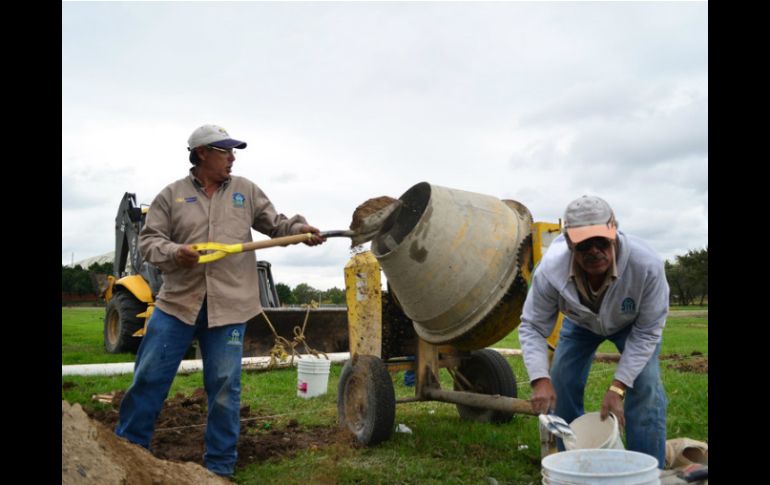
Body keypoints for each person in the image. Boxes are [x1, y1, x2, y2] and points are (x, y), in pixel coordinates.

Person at [115, 124, 325, 477]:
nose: (232, 157)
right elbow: (149, 242)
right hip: (177, 305)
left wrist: (299, 231)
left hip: (229, 307)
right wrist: (174, 252)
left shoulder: (245, 191)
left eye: (233, 151)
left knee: (226, 386)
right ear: (201, 153)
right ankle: (129, 453)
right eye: (224, 151)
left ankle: (219, 469)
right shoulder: (172, 195)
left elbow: (276, 224)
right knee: (149, 377)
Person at [518, 195, 669, 468]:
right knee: (561, 381)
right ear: (568, 242)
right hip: (580, 323)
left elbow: (648, 332)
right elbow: (532, 326)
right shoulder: (550, 270)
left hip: (632, 325)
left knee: (645, 385)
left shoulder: (646, 265)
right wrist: (540, 379)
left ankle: (647, 470)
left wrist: (618, 387)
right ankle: (574, 464)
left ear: (614, 233)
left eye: (601, 241)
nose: (594, 251)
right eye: (584, 243)